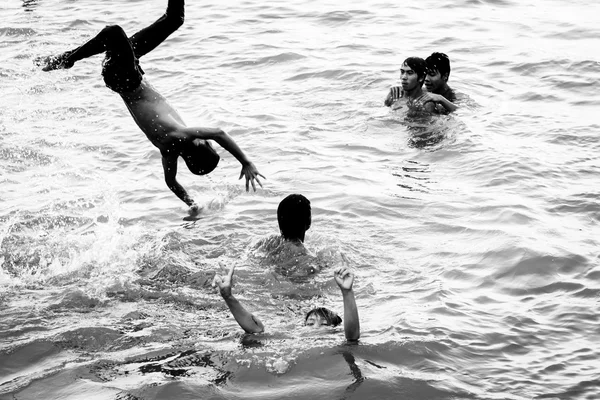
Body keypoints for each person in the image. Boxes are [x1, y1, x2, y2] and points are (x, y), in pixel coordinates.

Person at [35, 0, 264, 213]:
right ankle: (68, 59)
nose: (206, 139)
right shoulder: (169, 152)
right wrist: (191, 203)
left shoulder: (180, 135)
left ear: (199, 144)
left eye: (207, 144)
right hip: (129, 69)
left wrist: (245, 161)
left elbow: (219, 133)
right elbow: (171, 182)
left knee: (113, 32)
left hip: (125, 77)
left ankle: (68, 59)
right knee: (175, 19)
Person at [212, 264, 360, 341]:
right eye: (310, 323)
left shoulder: (335, 339)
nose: (315, 328)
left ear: (334, 330)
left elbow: (352, 336)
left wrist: (347, 292)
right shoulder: (295, 336)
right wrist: (228, 297)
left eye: (324, 324)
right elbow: (256, 330)